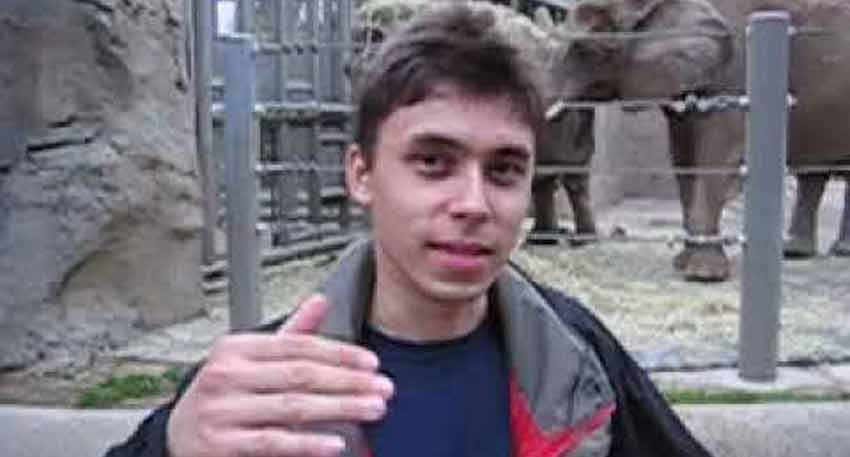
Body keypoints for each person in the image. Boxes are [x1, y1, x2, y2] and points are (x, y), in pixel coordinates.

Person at [106, 3, 713, 457]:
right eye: (433, 162)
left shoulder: (579, 356)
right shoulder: (265, 384)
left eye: (504, 169)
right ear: (361, 175)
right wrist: (167, 443)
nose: (474, 203)